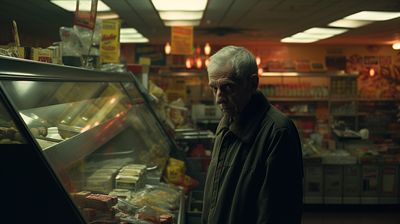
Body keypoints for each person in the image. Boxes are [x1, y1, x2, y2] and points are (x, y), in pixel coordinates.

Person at [202, 46, 303, 224]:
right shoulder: (226, 122)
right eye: (214, 88)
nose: (219, 98)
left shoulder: (278, 131)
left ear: (253, 84)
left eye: (227, 88)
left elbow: (278, 213)